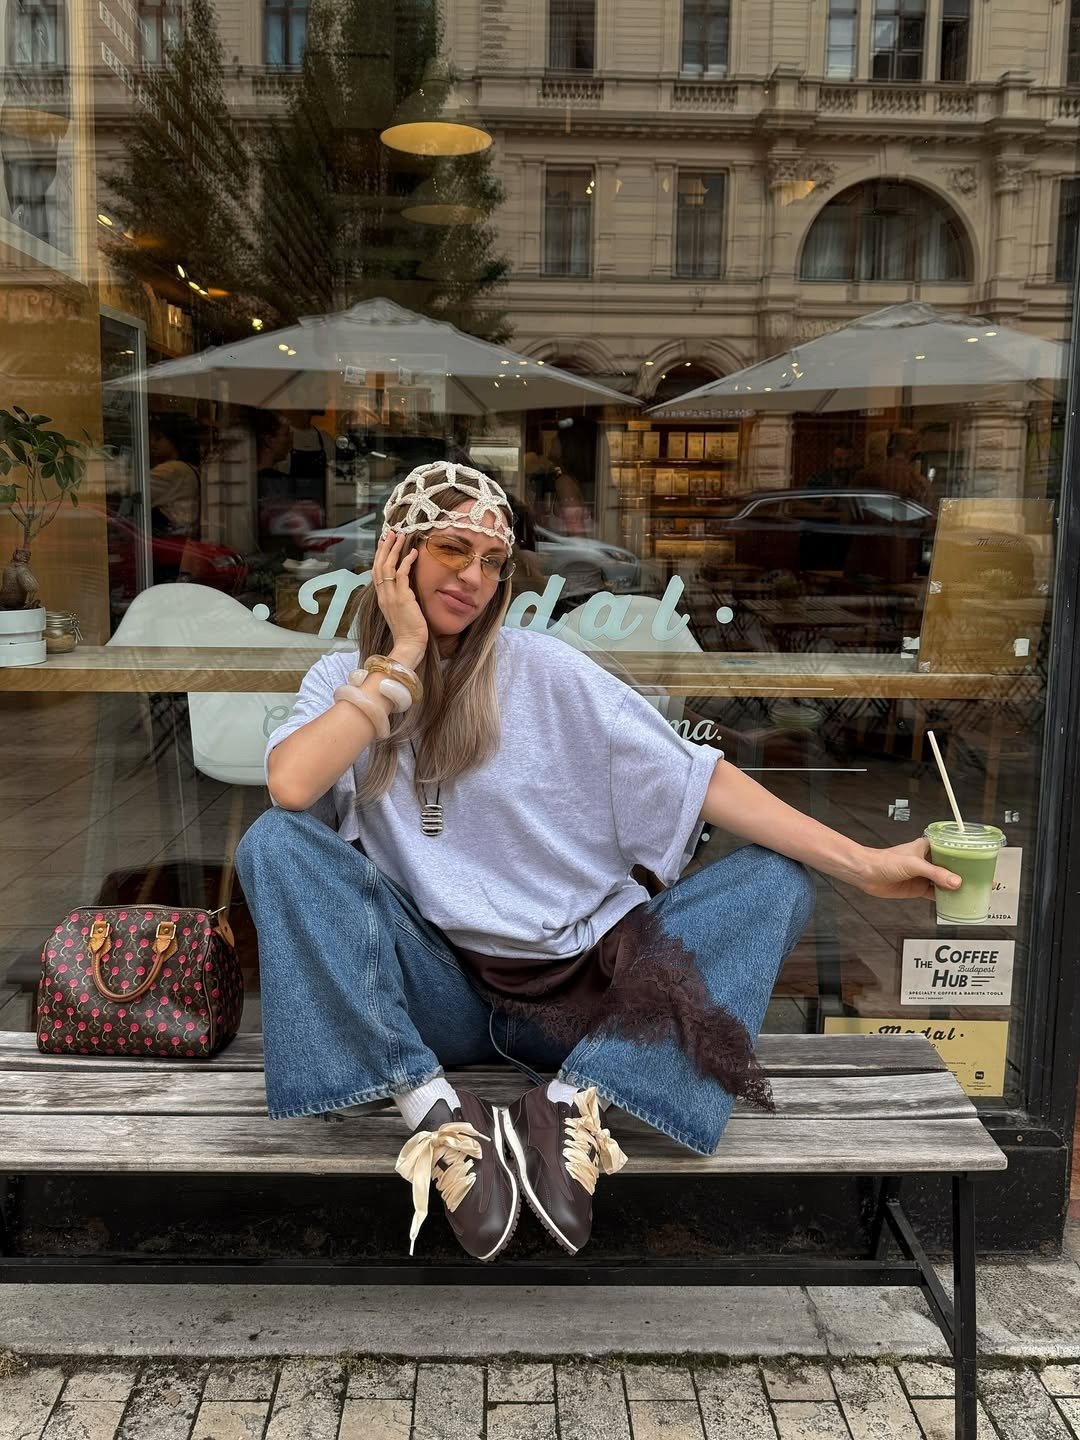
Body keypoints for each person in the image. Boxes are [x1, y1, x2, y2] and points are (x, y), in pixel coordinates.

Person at [235, 460, 962, 1263]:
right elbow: (292, 786)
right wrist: (400, 661)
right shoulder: (343, 683)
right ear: (397, 553)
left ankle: (572, 1103)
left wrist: (863, 863)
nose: (473, 576)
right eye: (452, 549)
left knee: (774, 882)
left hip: (585, 995)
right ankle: (437, 1116)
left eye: (492, 561)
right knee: (275, 843)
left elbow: (700, 780)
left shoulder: (544, 671)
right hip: (440, 992)